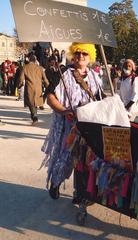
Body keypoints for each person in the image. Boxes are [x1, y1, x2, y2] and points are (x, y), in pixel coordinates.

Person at [41, 43, 103, 214]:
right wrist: (64, 110)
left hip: (88, 124)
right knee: (66, 156)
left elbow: (99, 98)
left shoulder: (95, 77)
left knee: (84, 160)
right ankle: (55, 182)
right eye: (77, 53)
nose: (81, 56)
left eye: (85, 53)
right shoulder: (63, 74)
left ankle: (80, 193)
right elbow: (50, 98)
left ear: (90, 56)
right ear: (73, 55)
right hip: (68, 125)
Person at [19, 54, 49, 124]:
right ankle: (34, 115)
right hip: (38, 87)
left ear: (29, 60)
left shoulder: (25, 67)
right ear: (35, 60)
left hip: (30, 87)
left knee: (31, 103)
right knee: (34, 103)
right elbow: (45, 79)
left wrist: (19, 85)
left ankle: (34, 116)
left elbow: (21, 79)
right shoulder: (40, 68)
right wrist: (48, 87)